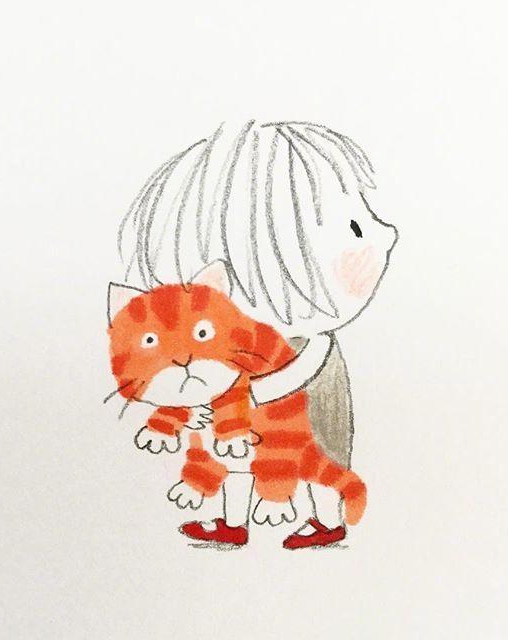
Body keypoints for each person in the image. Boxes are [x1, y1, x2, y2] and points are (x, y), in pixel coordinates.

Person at [118, 120, 398, 548]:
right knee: (234, 464)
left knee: (320, 455)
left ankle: (327, 520)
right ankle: (234, 522)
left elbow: (303, 378)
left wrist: (239, 398)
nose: (387, 236)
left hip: (296, 431)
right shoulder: (221, 340)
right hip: (239, 437)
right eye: (355, 230)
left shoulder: (310, 345)